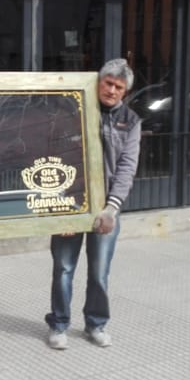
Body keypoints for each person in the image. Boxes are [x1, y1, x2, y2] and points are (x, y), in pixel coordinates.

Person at [45, 58, 141, 350]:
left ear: (125, 91)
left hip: (105, 208)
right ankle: (59, 325)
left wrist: (111, 209)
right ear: (99, 82)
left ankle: (95, 324)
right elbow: (54, 156)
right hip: (71, 203)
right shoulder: (74, 111)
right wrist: (61, 209)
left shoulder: (131, 122)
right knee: (63, 268)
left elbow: (127, 167)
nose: (111, 90)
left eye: (118, 87)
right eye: (108, 83)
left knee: (99, 272)